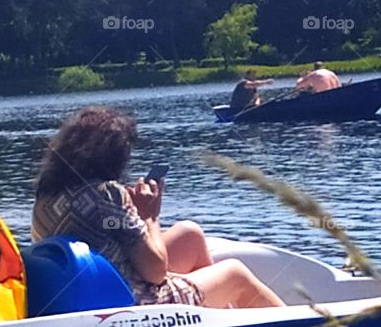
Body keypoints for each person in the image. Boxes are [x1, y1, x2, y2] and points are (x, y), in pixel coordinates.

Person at [32, 107, 284, 309]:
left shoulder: (46, 194)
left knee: (189, 234)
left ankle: (213, 324)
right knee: (235, 272)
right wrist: (150, 216)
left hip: (82, 292)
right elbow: (155, 272)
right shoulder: (108, 193)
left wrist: (130, 215)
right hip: (131, 302)